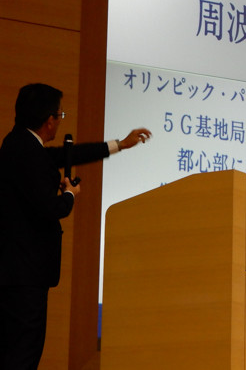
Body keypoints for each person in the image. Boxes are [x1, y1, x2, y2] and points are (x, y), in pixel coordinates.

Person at [0, 83, 152, 369]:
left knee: (14, 350)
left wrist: (119, 144)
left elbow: (64, 156)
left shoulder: (18, 144)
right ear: (49, 121)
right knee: (24, 353)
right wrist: (70, 194)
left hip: (15, 273)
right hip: (25, 274)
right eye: (60, 115)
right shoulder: (27, 151)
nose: (60, 121)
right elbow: (51, 208)